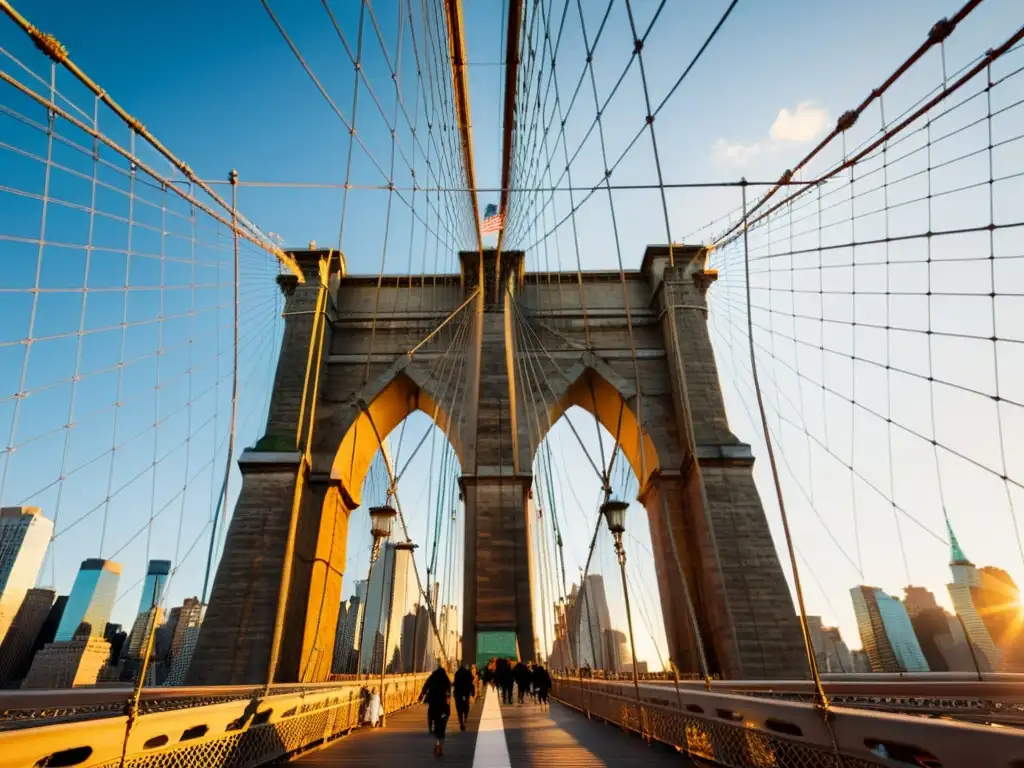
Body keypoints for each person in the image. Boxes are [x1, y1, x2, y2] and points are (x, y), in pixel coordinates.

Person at [419, 663, 452, 756]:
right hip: (443, 708)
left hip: (433, 705)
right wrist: (448, 708)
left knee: (434, 721)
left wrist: (421, 695)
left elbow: (425, 687)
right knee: (442, 726)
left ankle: (433, 734)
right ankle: (440, 745)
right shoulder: (445, 680)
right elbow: (448, 695)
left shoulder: (432, 678)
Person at [453, 661, 476, 731]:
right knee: (466, 705)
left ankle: (461, 721)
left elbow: (455, 683)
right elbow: (471, 683)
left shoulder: (457, 673)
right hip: (466, 693)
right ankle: (465, 716)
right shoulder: (468, 673)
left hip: (458, 693)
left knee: (459, 707)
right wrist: (472, 692)